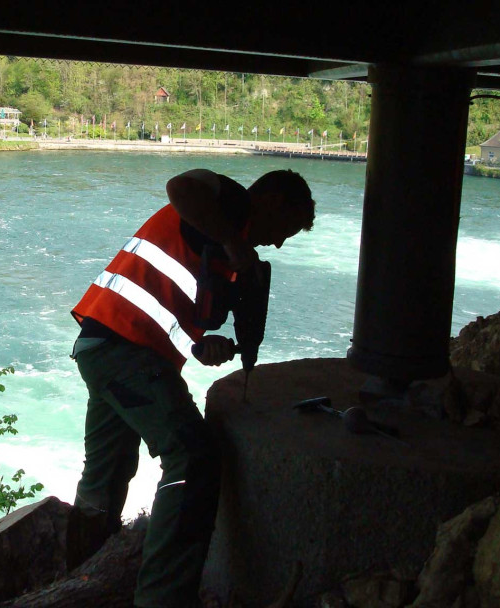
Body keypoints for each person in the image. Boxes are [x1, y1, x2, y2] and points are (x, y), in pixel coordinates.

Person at [67, 168, 316, 607]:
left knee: (107, 471)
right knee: (194, 456)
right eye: (285, 229)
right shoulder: (224, 205)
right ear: (272, 202)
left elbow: (166, 307)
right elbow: (180, 186)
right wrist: (236, 242)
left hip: (109, 344)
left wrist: (200, 345)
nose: (277, 243)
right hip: (122, 348)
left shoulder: (224, 255)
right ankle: (162, 598)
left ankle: (80, 575)